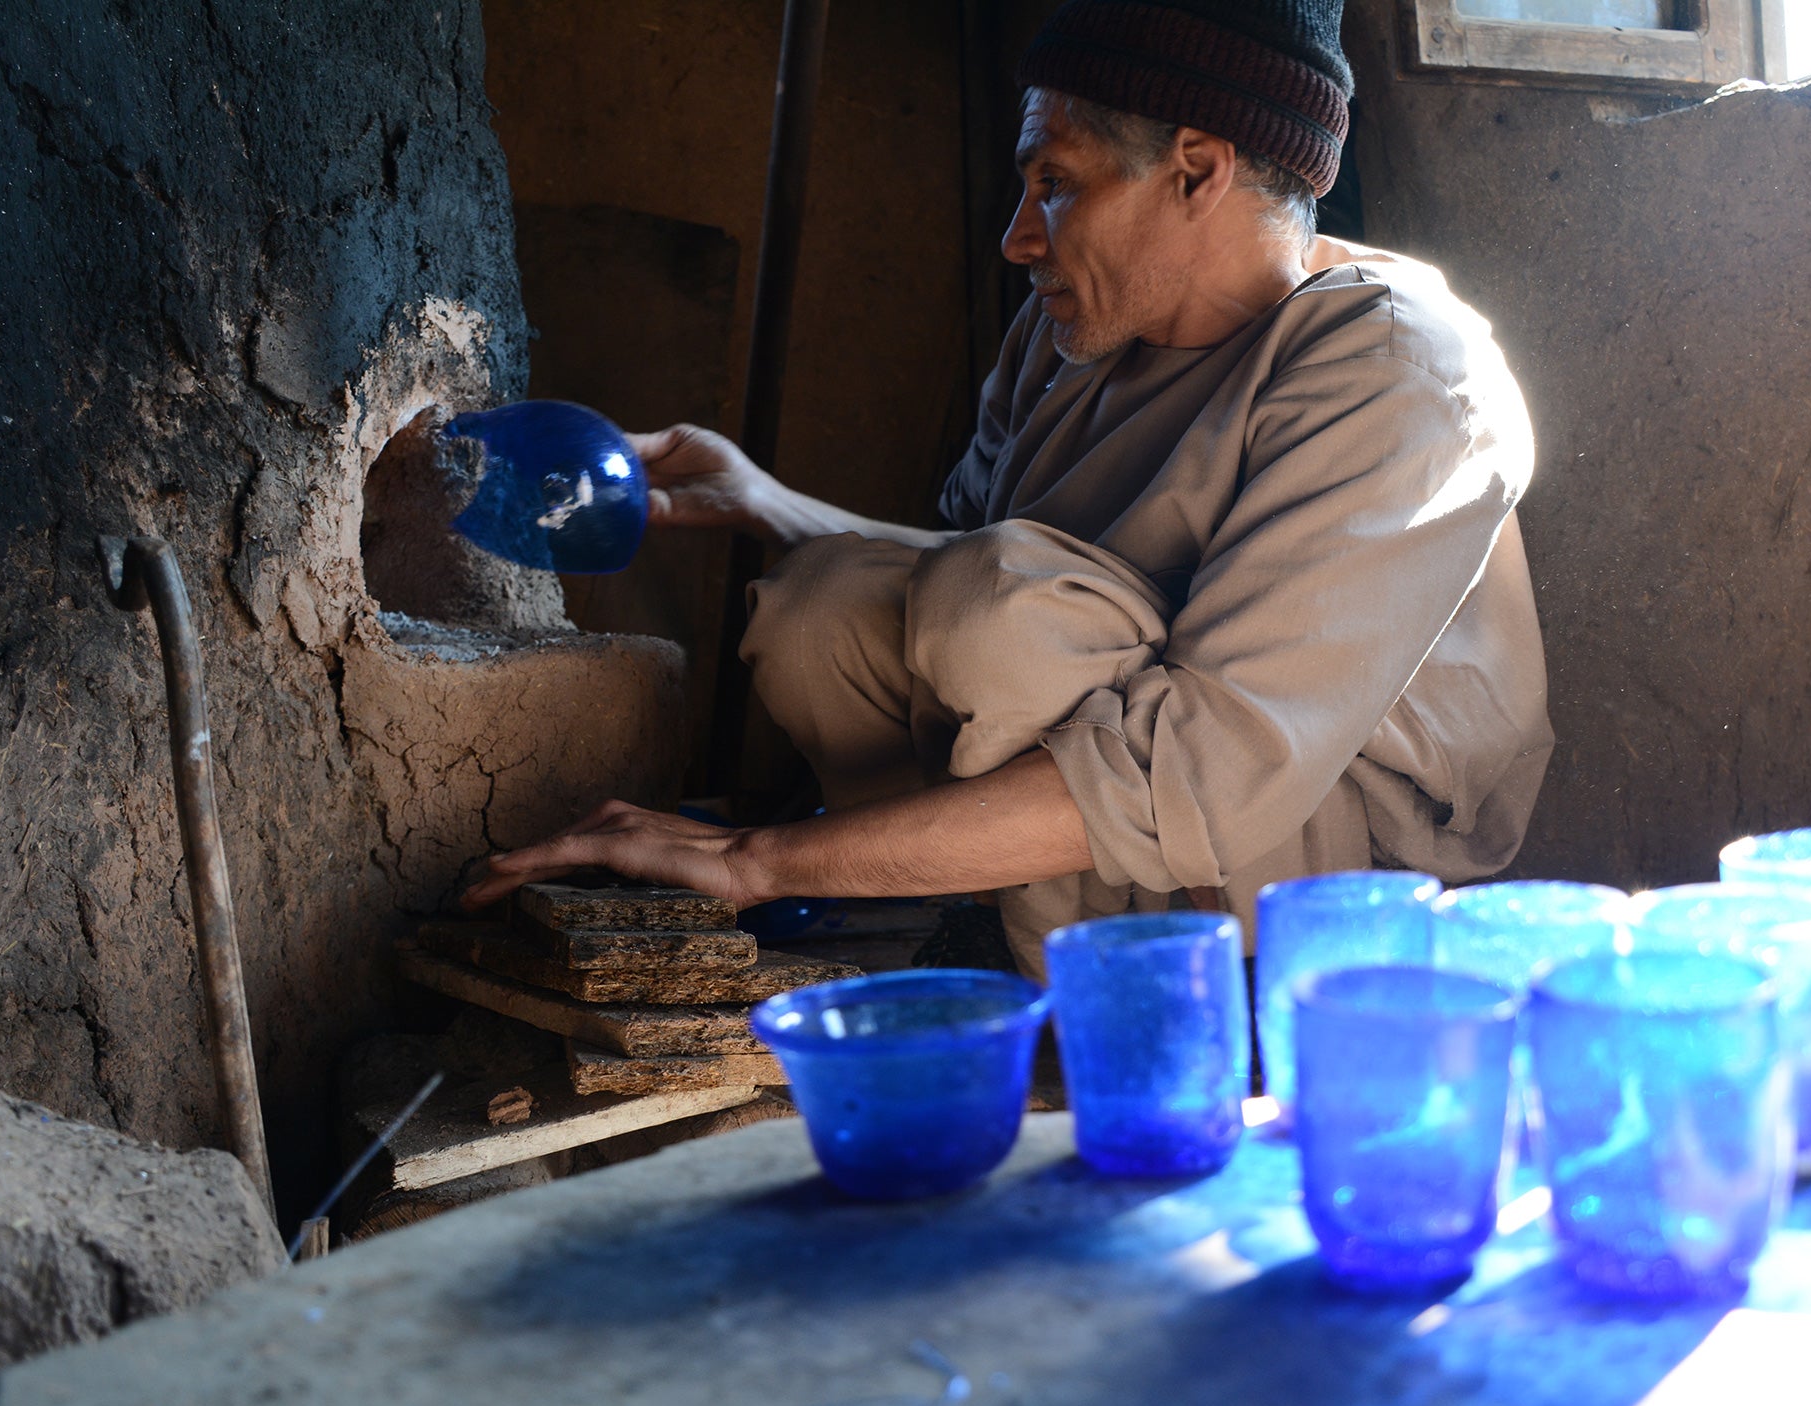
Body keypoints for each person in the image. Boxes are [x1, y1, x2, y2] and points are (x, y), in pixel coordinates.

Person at [461, 0, 1553, 973]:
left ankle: (1093, 979)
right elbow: (954, 573)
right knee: (824, 607)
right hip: (1142, 782)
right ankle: (979, 923)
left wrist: (755, 859)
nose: (1017, 237)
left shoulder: (1398, 371)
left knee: (994, 623)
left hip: (1324, 854)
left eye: (1055, 186)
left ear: (1197, 168)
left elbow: (1206, 757)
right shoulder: (1069, 330)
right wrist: (771, 504)